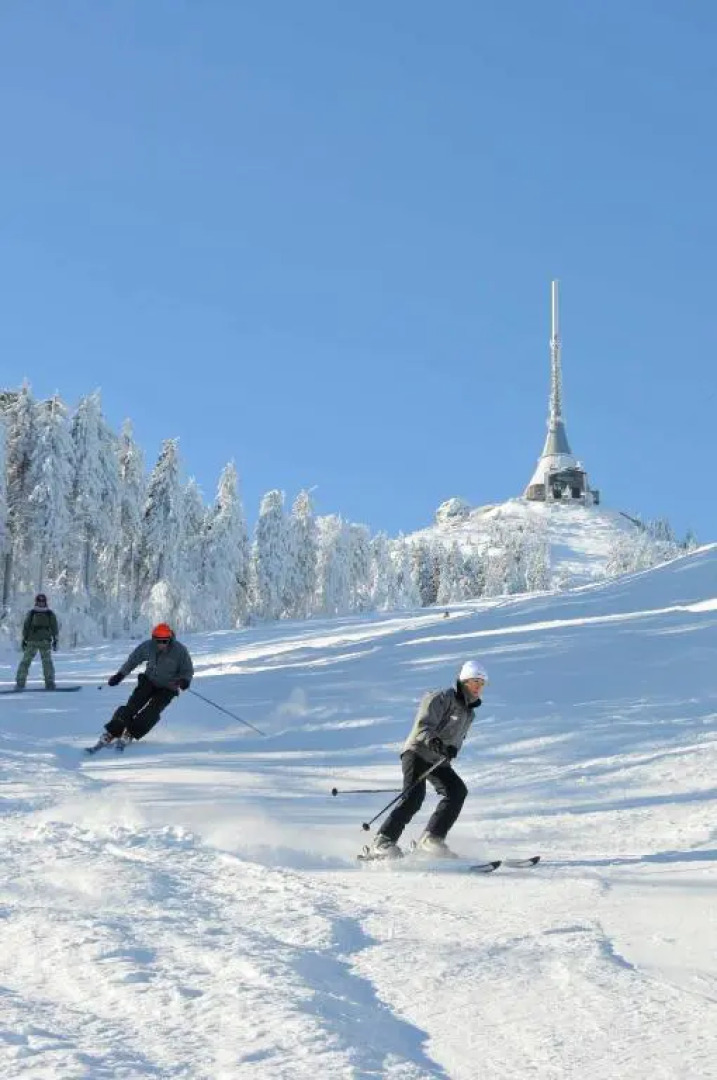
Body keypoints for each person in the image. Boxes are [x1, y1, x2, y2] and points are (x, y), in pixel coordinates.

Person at [369, 660, 488, 859]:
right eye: (475, 681)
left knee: (457, 791)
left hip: (438, 760)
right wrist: (435, 742)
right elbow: (423, 726)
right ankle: (383, 841)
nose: (478, 687)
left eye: (482, 683)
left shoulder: (469, 713)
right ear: (464, 681)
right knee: (414, 797)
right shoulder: (441, 698)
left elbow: (456, 739)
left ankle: (432, 839)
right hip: (417, 752)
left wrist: (451, 750)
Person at [96, 623, 194, 747]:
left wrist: (185, 680)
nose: (161, 644)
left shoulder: (179, 650)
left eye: (165, 641)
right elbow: (133, 660)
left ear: (170, 639)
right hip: (149, 681)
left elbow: (187, 670)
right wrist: (120, 675)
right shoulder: (148, 647)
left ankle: (130, 733)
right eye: (159, 641)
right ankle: (111, 732)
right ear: (154, 639)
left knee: (152, 712)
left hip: (168, 688)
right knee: (132, 706)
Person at [15, 593, 59, 690]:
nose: (41, 603)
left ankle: (48, 683)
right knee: (33, 662)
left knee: (40, 663)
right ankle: (21, 683)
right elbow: (26, 627)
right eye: (40, 601)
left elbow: (54, 627)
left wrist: (55, 639)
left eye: (42, 601)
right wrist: (24, 639)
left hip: (39, 641)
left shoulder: (42, 613)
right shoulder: (39, 613)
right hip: (38, 641)